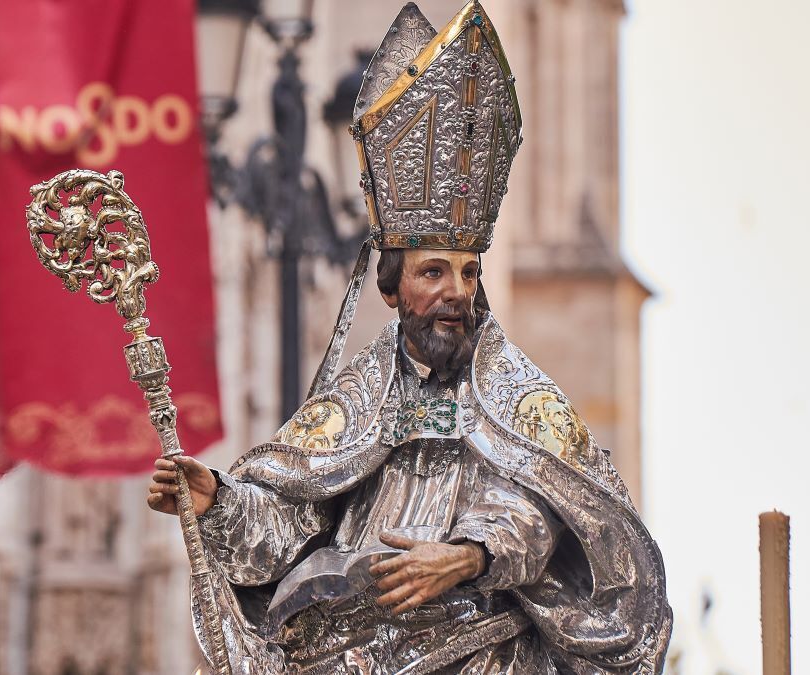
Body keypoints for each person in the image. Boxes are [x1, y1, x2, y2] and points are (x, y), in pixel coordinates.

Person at [149, 2, 671, 672]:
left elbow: (542, 507)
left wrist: (468, 556)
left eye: (468, 272)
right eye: (433, 272)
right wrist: (218, 502)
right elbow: (288, 527)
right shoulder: (356, 400)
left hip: (478, 652)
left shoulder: (519, 398)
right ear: (392, 290)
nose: (456, 291)